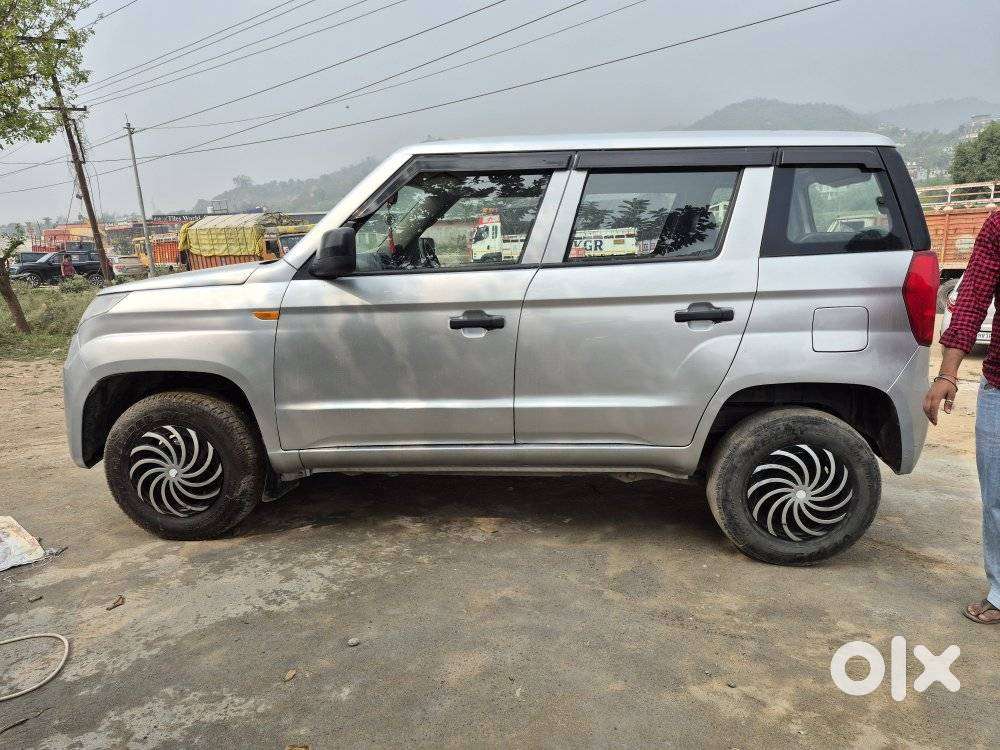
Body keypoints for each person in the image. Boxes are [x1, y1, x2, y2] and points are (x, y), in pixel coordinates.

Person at [924, 209, 1000, 624]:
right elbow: (972, 300)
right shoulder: (998, 226)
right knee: (998, 500)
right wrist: (947, 373)